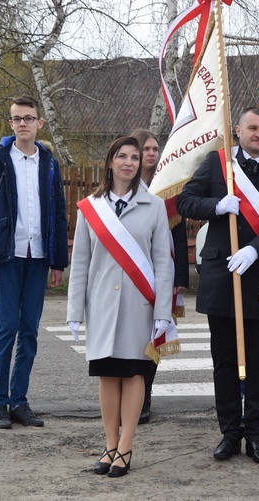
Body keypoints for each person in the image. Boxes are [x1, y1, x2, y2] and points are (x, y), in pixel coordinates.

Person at [176, 107, 259, 465]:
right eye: (253, 128)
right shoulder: (217, 165)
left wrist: (254, 249)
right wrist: (217, 205)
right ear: (238, 131)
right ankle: (229, 432)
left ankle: (256, 435)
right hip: (221, 274)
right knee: (225, 361)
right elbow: (185, 202)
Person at [67, 136, 173, 477]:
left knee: (133, 372)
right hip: (101, 306)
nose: (129, 162)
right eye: (122, 156)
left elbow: (163, 264)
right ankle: (109, 445)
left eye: (134, 156)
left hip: (138, 304)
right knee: (107, 375)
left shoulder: (154, 205)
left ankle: (125, 447)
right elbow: (80, 262)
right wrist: (73, 312)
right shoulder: (90, 207)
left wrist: (162, 313)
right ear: (110, 162)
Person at [0, 96, 68, 429]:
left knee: (29, 331)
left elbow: (58, 212)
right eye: (17, 119)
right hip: (6, 256)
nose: (23, 124)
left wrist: (58, 262)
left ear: (39, 123)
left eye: (29, 118)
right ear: (11, 123)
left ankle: (20, 401)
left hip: (39, 257)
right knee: (6, 329)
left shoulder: (49, 163)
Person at [130, 128, 190, 424]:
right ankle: (130, 393)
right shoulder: (123, 186)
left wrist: (181, 275)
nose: (152, 153)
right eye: (147, 149)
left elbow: (179, 231)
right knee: (131, 336)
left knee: (155, 334)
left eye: (155, 148)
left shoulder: (168, 186)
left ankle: (145, 396)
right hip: (132, 270)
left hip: (162, 270)